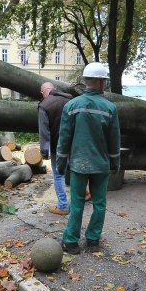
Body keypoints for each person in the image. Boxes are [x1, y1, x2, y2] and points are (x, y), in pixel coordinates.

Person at [55, 62, 121, 254]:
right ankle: (93, 240)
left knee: (76, 203)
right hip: (101, 165)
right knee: (100, 204)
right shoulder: (110, 108)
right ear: (102, 83)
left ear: (85, 82)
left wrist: (60, 164)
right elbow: (114, 140)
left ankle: (71, 242)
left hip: (78, 165)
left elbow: (64, 138)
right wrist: (115, 162)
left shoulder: (71, 106)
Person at [38, 81, 73, 215]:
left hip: (57, 147)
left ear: (43, 92)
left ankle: (63, 206)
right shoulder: (70, 100)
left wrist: (44, 151)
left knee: (59, 176)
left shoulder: (44, 106)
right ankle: (84, 194)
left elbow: (44, 132)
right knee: (76, 172)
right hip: (74, 143)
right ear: (54, 89)